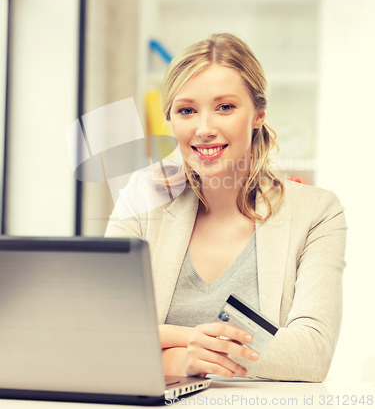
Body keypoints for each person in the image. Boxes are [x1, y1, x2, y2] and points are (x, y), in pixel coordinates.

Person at [105, 33, 347, 382]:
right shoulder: (143, 197)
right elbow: (104, 330)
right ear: (171, 120)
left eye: (225, 107)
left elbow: (311, 354)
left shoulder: (317, 213)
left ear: (258, 114)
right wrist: (186, 350)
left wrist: (168, 350)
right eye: (187, 110)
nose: (204, 129)